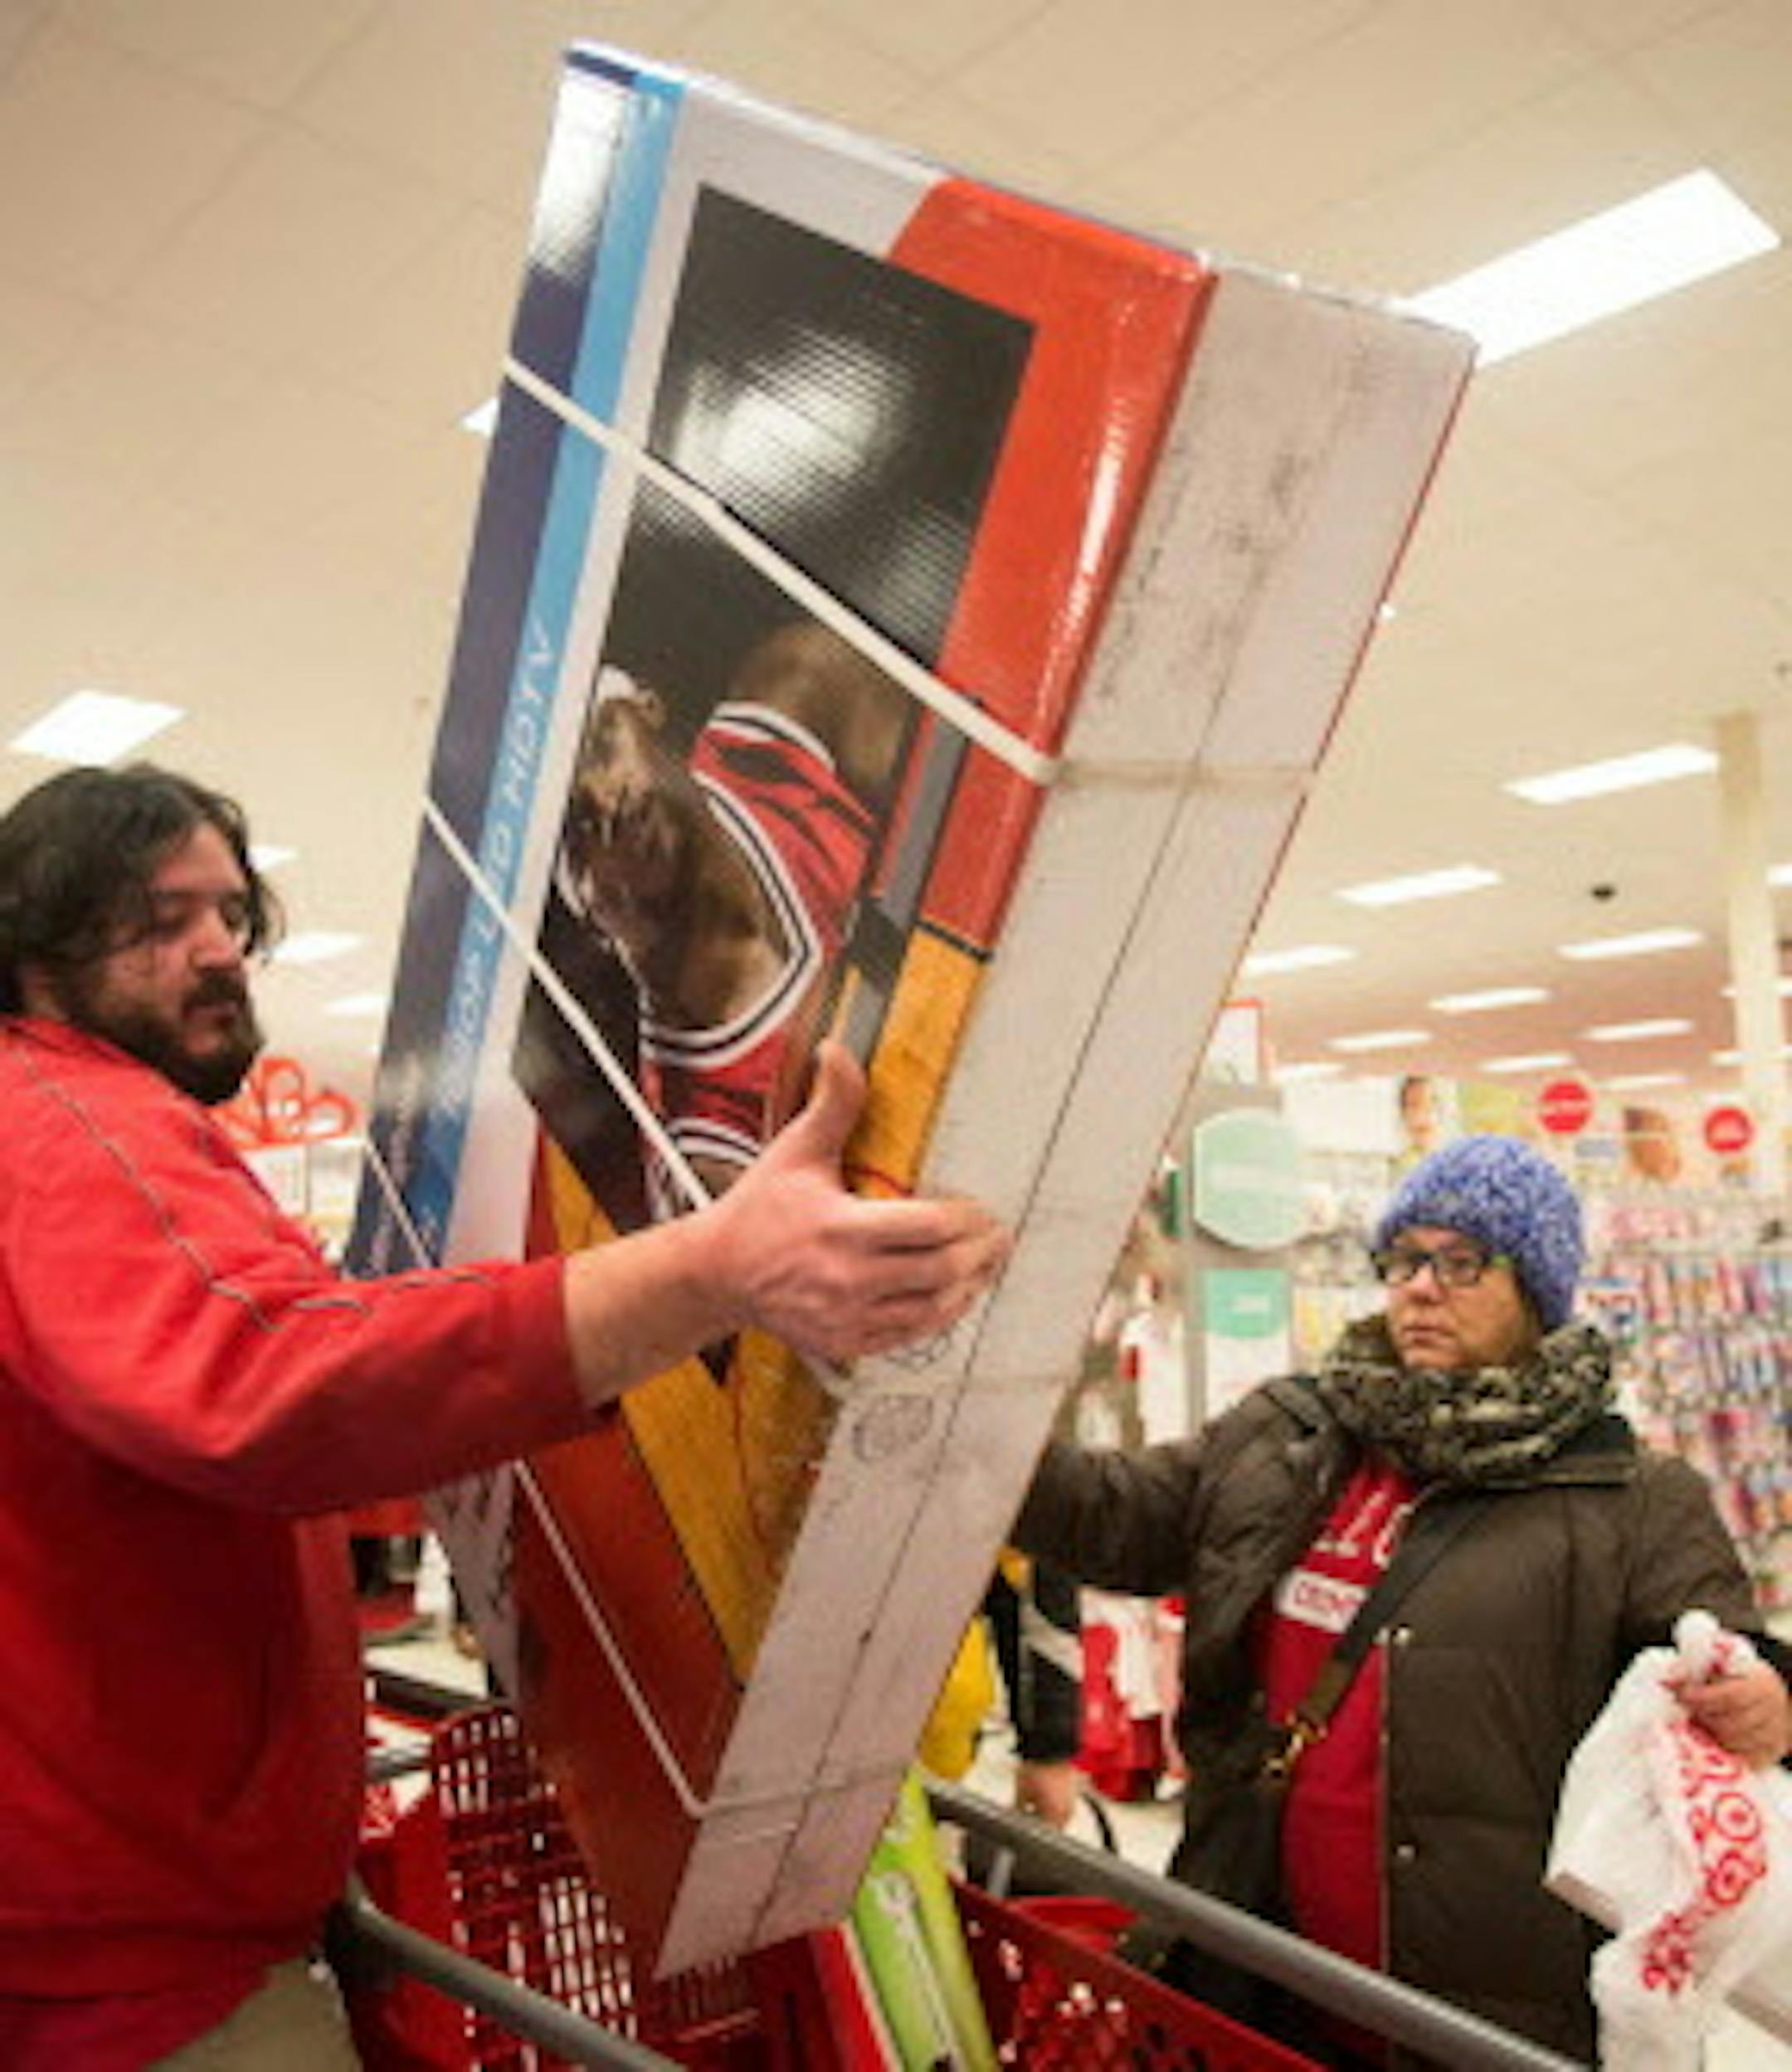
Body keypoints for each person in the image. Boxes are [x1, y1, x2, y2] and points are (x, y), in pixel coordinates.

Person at [0, 762, 1007, 2070]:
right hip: (133, 1971)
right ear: (32, 942)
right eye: (154, 919)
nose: (214, 951)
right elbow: (259, 1378)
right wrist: (710, 1267)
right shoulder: (65, 1120)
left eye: (228, 914)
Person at [1013, 1134, 1790, 2065]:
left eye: (1461, 1260)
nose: (1421, 1285)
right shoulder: (1290, 1434)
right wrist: (965, 1429)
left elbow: (1730, 1655)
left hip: (1479, 2012)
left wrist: (1770, 1700)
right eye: (1405, 1256)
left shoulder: (1628, 1497)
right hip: (1255, 1965)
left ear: (1537, 1289)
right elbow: (1116, 1518)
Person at [557, 619, 908, 1204]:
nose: (609, 798)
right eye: (578, 825)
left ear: (646, 708)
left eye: (601, 748)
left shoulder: (804, 695)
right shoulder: (708, 1159)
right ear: (591, 915)